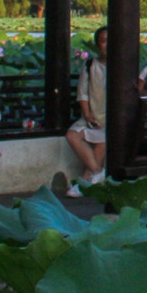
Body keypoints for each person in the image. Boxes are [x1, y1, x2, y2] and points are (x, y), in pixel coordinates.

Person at [66, 27, 108, 198]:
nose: (107, 45)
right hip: (92, 114)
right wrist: (87, 114)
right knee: (72, 135)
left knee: (101, 143)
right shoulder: (90, 64)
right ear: (97, 44)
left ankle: (84, 183)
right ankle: (97, 172)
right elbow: (82, 92)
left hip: (112, 118)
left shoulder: (123, 66)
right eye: (103, 40)